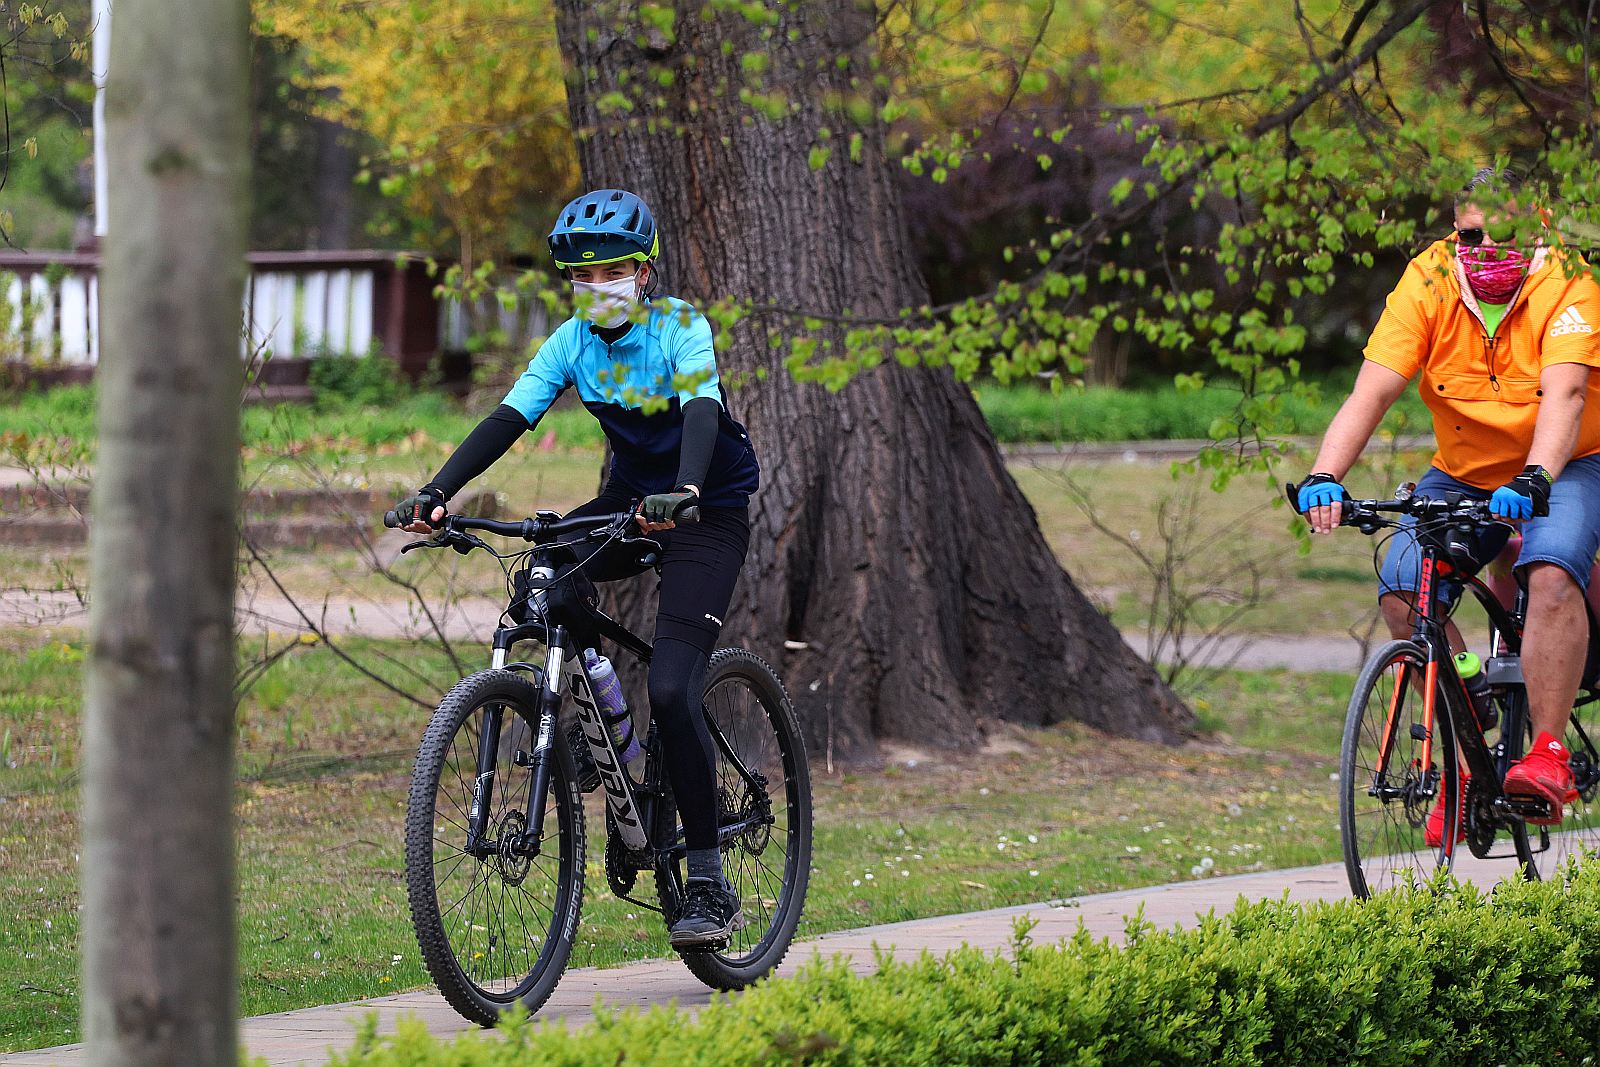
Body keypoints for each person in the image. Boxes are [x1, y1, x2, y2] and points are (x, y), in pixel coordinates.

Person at [392, 188, 760, 946]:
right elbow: (509, 416)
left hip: (705, 507)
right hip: (628, 501)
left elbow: (700, 409)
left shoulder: (681, 327)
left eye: (613, 270)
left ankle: (707, 880)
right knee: (546, 571)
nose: (599, 287)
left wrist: (687, 489)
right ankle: (593, 732)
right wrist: (438, 491)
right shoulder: (570, 343)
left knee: (670, 686)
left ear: (645, 270)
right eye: (584, 276)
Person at [1294, 167, 1600, 846]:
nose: (1487, 247)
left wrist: (1536, 479)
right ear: (1454, 229)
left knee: (1549, 571)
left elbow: (1568, 396)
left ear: (1542, 228)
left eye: (1507, 233)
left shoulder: (1570, 279)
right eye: (1471, 233)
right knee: (1403, 586)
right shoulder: (1428, 279)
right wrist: (1325, 473)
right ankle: (1469, 733)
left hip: (1568, 462)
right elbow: (1370, 392)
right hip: (1464, 471)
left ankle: (1546, 753)